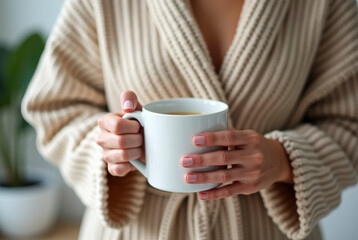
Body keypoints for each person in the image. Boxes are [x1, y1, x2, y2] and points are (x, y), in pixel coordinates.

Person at [22, 0, 358, 239]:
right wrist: (109, 148)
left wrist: (283, 160)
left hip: (266, 230)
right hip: (135, 232)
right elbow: (55, 107)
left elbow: (350, 124)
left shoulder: (323, 5)